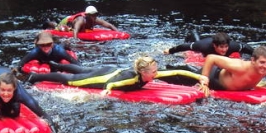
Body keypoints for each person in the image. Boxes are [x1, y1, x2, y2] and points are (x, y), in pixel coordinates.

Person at [22, 56, 210, 95]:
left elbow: (177, 71)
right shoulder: (132, 79)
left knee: (83, 69)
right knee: (72, 80)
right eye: (153, 71)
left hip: (110, 69)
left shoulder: (149, 74)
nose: (157, 73)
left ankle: (55, 63)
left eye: (156, 70)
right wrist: (106, 92)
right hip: (106, 78)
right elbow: (112, 85)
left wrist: (198, 77)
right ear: (143, 73)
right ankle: (34, 77)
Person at [200, 46, 266, 91]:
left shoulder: (264, 71)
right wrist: (204, 82)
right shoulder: (239, 67)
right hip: (213, 77)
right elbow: (211, 58)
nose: (265, 66)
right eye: (262, 62)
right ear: (253, 60)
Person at [16, 30, 80, 71]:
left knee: (63, 46)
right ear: (39, 45)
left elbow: (76, 63)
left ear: (52, 44)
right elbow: (20, 64)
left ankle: (66, 42)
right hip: (46, 62)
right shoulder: (35, 52)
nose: (45, 47)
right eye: (42, 45)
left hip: (58, 56)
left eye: (48, 44)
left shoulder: (59, 51)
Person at [165, 31, 254, 58]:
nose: (224, 49)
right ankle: (193, 32)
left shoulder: (233, 46)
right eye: (221, 47)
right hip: (203, 44)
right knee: (195, 43)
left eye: (226, 46)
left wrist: (257, 56)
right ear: (215, 46)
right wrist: (169, 51)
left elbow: (246, 47)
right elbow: (184, 47)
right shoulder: (203, 46)